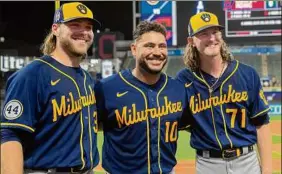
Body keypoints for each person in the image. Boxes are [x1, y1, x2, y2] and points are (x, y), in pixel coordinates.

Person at [1, 2, 100, 174]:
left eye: (88, 27)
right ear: (55, 29)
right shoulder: (32, 74)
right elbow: (10, 134)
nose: (84, 32)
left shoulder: (86, 78)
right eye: (74, 25)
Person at [176, 11, 272, 174]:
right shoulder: (184, 80)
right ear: (191, 41)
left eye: (215, 32)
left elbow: (261, 124)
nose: (211, 38)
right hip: (208, 164)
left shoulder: (247, 74)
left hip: (246, 162)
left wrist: (268, 171)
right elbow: (174, 121)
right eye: (203, 34)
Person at [95, 21, 191, 174]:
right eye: (149, 46)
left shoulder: (177, 89)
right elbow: (92, 126)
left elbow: (187, 123)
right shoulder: (107, 88)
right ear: (134, 49)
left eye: (162, 46)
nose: (157, 52)